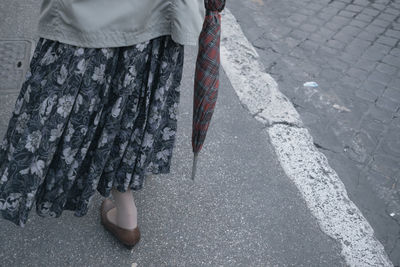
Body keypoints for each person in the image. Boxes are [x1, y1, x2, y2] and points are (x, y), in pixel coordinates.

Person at [0, 0, 205, 249]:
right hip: (163, 12)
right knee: (131, 107)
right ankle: (126, 213)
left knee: (77, 101)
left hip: (92, 14)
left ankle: (123, 210)